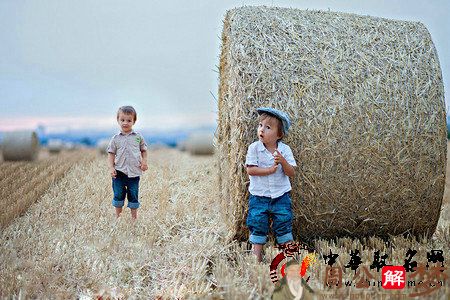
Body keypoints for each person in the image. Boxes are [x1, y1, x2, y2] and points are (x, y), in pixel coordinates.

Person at [245, 107, 297, 262]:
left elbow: (291, 172)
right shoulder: (254, 148)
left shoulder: (285, 150)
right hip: (259, 197)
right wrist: (269, 170)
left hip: (281, 196)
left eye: (268, 127)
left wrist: (283, 161)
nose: (262, 130)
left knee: (284, 223)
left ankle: (289, 254)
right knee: (257, 223)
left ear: (279, 134)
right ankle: (257, 257)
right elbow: (251, 170)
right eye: (260, 125)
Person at [107, 106, 148, 220]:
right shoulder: (115, 139)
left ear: (134, 121)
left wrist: (144, 161)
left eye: (129, 120)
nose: (125, 123)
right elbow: (111, 154)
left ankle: (134, 219)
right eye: (122, 120)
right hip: (119, 173)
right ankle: (118, 218)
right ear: (118, 120)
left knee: (133, 195)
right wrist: (111, 168)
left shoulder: (138, 137)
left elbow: (144, 150)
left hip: (134, 173)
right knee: (118, 195)